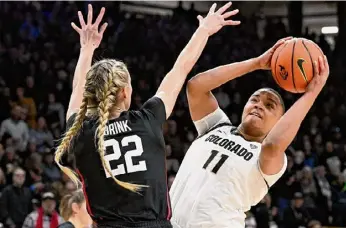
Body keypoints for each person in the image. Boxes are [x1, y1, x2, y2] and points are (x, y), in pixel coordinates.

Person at [55, 3, 240, 228]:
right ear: (125, 92)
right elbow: (180, 69)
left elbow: (76, 91)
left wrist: (86, 49)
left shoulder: (81, 132)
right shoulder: (147, 121)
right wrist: (204, 30)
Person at [170, 37, 329, 228]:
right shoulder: (216, 126)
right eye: (255, 100)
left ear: (279, 122)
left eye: (269, 105)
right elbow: (196, 87)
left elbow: (273, 145)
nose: (259, 105)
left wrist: (310, 95)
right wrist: (256, 63)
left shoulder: (270, 157)